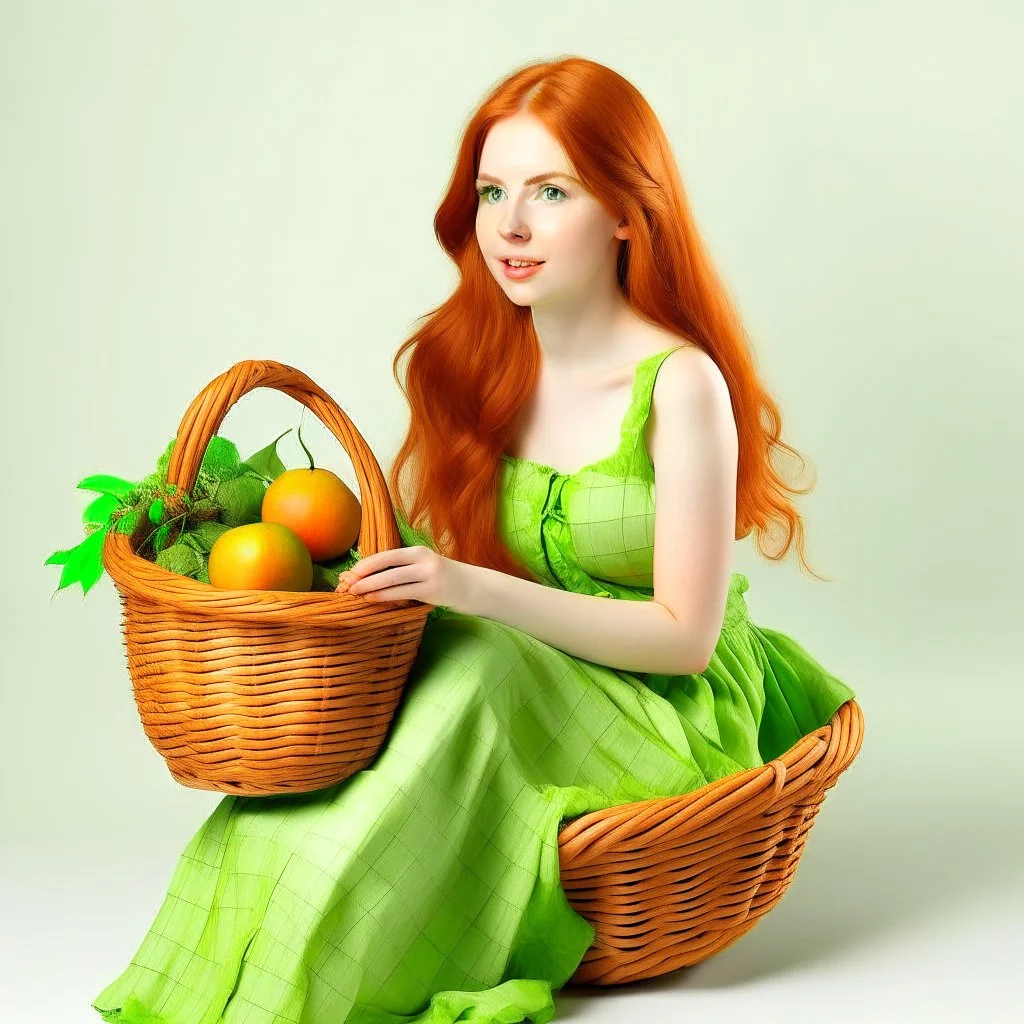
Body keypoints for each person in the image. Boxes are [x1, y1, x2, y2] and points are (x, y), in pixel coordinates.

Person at [91, 55, 856, 1024]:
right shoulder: (482, 366)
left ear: (626, 209)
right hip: (532, 669)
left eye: (550, 190)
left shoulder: (680, 384)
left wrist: (470, 590)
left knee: (473, 662)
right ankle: (238, 961)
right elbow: (459, 587)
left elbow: (683, 638)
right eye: (492, 191)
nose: (511, 225)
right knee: (408, 682)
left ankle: (307, 991)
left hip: (669, 703)